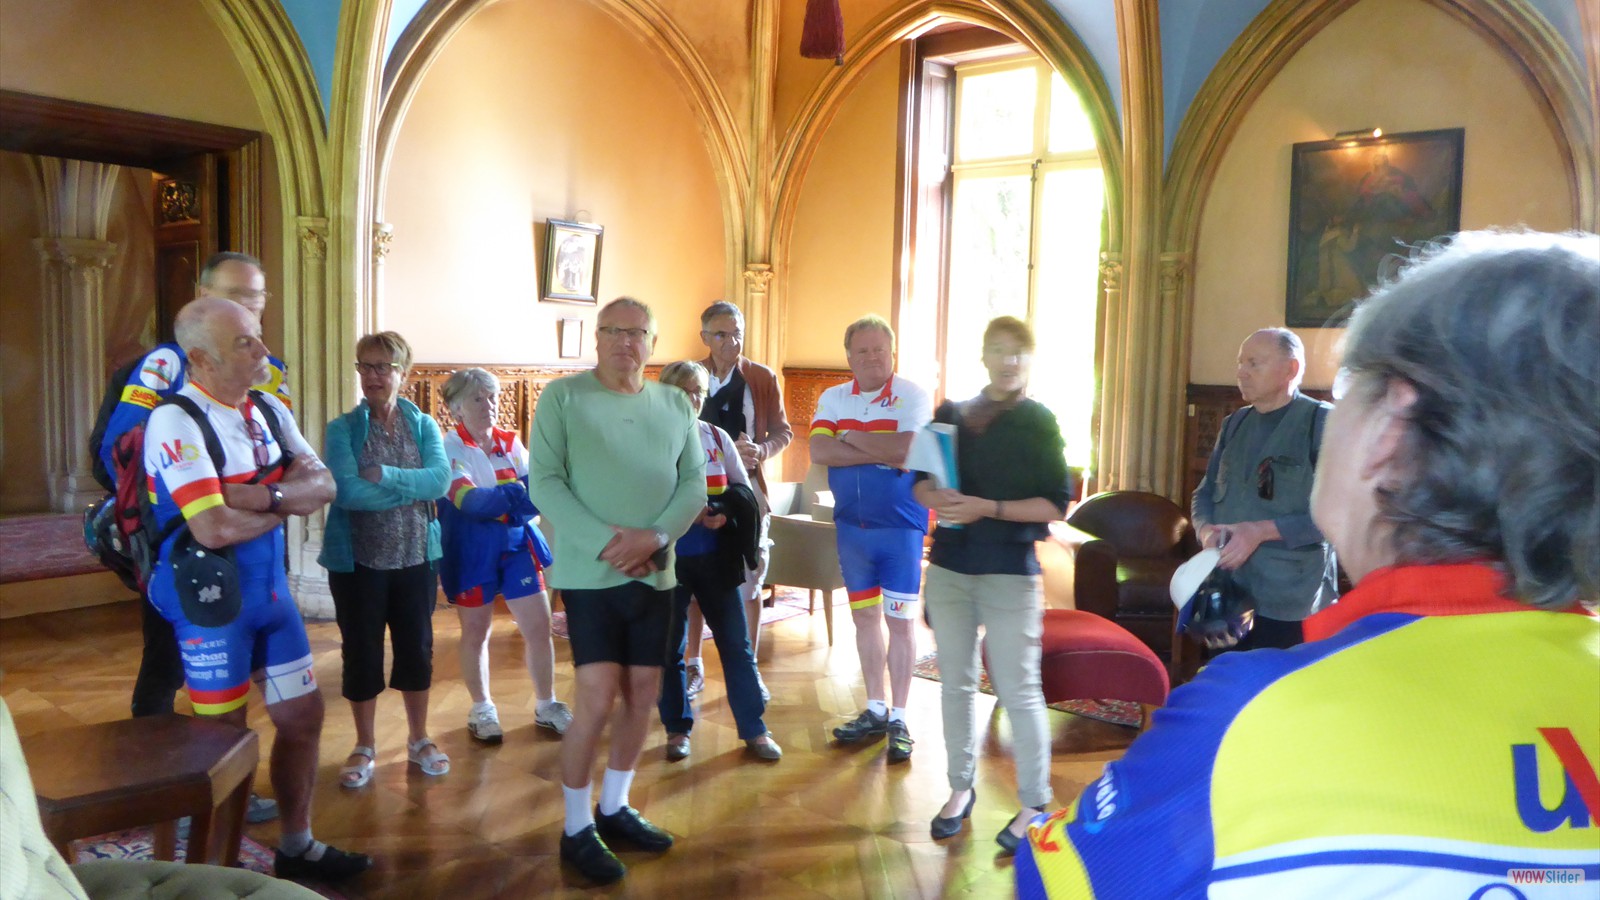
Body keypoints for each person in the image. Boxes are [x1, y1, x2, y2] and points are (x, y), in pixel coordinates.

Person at [1017, 229, 1600, 897]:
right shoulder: (1237, 424)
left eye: (1350, 386)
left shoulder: (1245, 720)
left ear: (1390, 427)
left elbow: (1058, 881)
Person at [142, 296, 369, 881]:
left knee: (304, 717)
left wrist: (259, 496)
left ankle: (297, 845)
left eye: (258, 335)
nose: (264, 351)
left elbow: (326, 486)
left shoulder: (267, 408)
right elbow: (213, 529)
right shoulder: (176, 419)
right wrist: (287, 499)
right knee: (223, 746)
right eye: (245, 342)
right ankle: (219, 874)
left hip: (270, 599)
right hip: (211, 607)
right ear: (201, 358)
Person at [97, 250, 289, 825]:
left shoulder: (268, 367)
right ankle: (156, 786)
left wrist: (260, 496)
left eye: (254, 296)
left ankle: (226, 786)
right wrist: (205, 495)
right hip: (181, 547)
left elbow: (282, 459)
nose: (245, 305)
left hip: (251, 551)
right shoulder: (168, 362)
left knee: (237, 680)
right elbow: (121, 449)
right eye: (232, 294)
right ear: (203, 296)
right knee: (165, 664)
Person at [528, 297, 705, 885]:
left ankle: (615, 806)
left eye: (637, 332)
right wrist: (612, 544)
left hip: (656, 572)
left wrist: (655, 537)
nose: (625, 341)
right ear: (597, 338)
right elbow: (545, 483)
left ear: (652, 343)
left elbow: (694, 484)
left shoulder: (675, 403)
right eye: (613, 331)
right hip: (590, 573)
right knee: (597, 697)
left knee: (643, 693)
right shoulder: (563, 397)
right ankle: (576, 827)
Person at [913, 317, 1072, 855]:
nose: (1009, 361)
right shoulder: (950, 414)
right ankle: (960, 789)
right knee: (954, 685)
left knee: (1018, 689)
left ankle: (1034, 802)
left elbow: (1055, 504)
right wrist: (938, 499)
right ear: (983, 356)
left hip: (1010, 572)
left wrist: (988, 508)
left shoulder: (1039, 421)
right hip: (949, 569)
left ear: (1029, 360)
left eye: (1019, 352)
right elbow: (920, 485)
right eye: (999, 350)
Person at [319, 332, 451, 789]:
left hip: (416, 557)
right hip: (359, 564)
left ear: (403, 373)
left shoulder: (425, 426)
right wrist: (409, 489)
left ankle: (419, 738)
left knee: (417, 650)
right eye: (365, 365)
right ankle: (364, 744)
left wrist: (385, 474)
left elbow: (439, 482)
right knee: (361, 653)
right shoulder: (342, 429)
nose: (372, 375)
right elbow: (346, 491)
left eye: (383, 366)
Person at [809, 314, 932, 763]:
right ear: (849, 356)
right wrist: (877, 446)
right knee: (864, 620)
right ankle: (876, 708)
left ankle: (900, 717)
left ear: (892, 351)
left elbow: (906, 450)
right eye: (862, 350)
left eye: (880, 349)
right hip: (852, 531)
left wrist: (851, 436)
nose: (872, 357)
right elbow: (819, 450)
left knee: (900, 624)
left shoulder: (912, 396)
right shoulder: (832, 397)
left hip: (900, 530)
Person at [654, 360, 782, 763]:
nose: (693, 398)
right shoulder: (650, 439)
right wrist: (684, 512)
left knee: (736, 645)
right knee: (669, 650)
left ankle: (755, 730)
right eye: (684, 391)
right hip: (669, 562)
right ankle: (677, 729)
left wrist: (723, 511)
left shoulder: (715, 436)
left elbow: (744, 493)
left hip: (716, 560)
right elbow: (639, 497)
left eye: (699, 392)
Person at [437, 367, 572, 743]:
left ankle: (547, 704)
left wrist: (504, 503)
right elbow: (470, 502)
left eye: (493, 397)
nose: (490, 405)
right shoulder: (448, 449)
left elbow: (540, 494)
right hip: (471, 550)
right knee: (475, 631)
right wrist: (517, 495)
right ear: (457, 408)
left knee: (539, 627)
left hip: (517, 547)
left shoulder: (510, 443)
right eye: (478, 398)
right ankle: (482, 709)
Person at [1190, 327, 1337, 650]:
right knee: (1229, 676)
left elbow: (1341, 517)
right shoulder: (1234, 424)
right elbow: (1204, 494)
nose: (1242, 372)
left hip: (1293, 599)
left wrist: (1261, 531)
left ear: (1291, 369)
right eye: (1240, 363)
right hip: (1230, 594)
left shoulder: (1322, 424)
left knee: (1286, 680)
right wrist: (1205, 531)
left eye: (1254, 363)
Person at [683, 300, 793, 701]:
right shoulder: (689, 376)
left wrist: (761, 451)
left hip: (746, 491)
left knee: (749, 581)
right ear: (704, 337)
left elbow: (783, 431)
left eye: (737, 334)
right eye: (721, 334)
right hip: (695, 493)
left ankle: (748, 670)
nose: (731, 342)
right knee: (693, 580)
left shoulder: (760, 378)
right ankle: (692, 664)